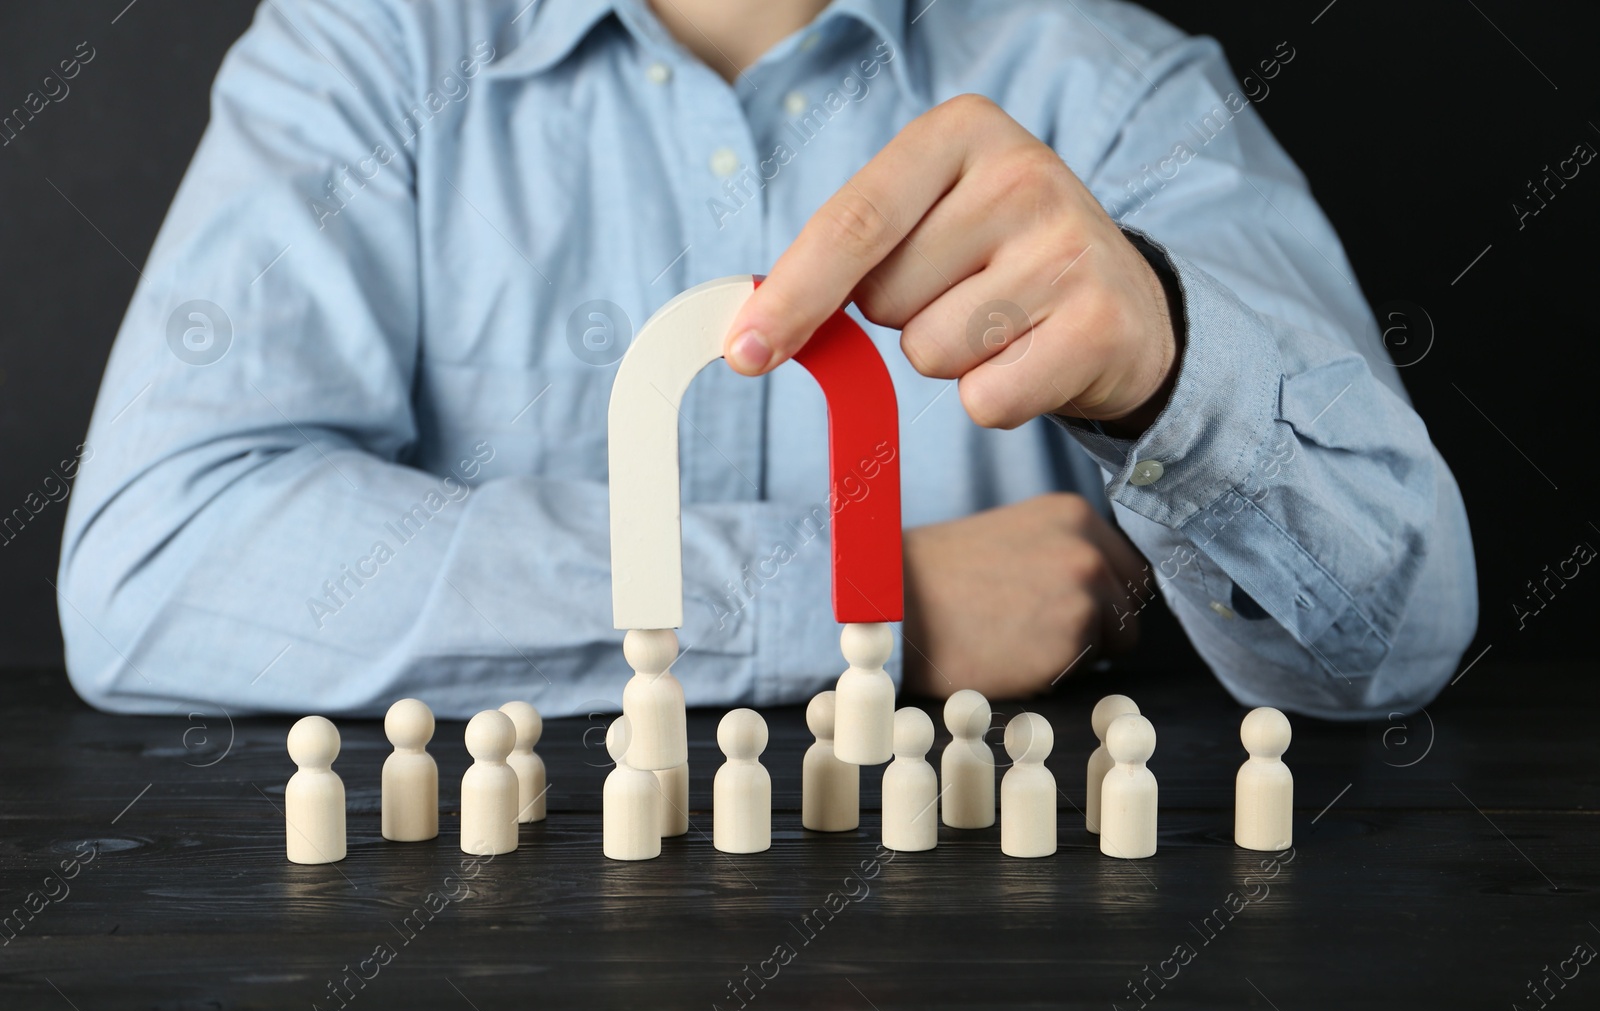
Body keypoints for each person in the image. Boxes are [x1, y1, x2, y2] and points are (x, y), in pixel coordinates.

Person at [57, 0, 1477, 720]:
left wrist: (1168, 366)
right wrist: (869, 596)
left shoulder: (1108, 85)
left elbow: (1395, 641)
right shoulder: (367, 51)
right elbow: (161, 557)